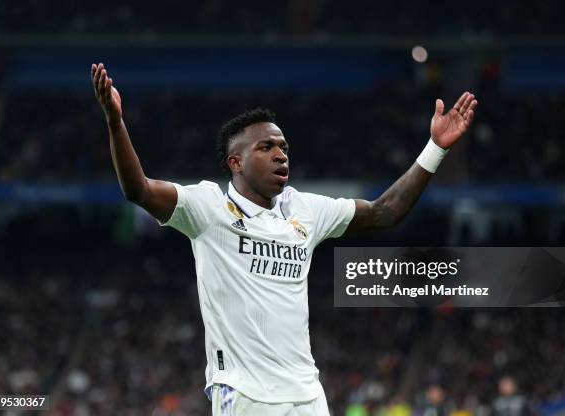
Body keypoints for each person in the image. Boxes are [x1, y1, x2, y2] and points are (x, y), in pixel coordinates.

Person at [90, 62, 477, 416]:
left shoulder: (305, 210)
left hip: (307, 394)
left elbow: (385, 210)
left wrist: (435, 148)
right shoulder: (208, 208)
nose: (281, 154)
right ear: (235, 162)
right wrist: (115, 122)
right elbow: (137, 189)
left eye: (284, 148)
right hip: (244, 395)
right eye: (267, 147)